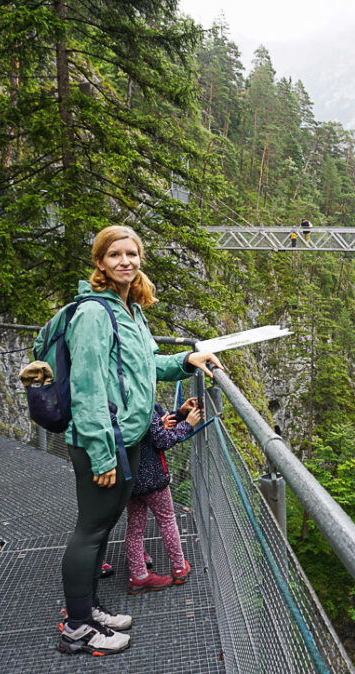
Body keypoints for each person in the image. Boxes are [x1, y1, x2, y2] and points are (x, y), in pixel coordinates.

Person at [56, 225, 223, 657]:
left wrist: (188, 359)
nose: (125, 261)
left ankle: (90, 609)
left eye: (132, 254)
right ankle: (77, 627)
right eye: (115, 255)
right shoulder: (94, 313)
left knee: (102, 527)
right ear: (100, 262)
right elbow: (88, 387)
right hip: (104, 440)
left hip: (126, 438)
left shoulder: (129, 310)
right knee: (90, 531)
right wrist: (101, 453)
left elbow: (147, 363)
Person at [125, 396, 203, 595]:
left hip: (131, 479)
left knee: (134, 527)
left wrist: (180, 413)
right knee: (167, 520)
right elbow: (162, 439)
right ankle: (178, 567)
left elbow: (154, 430)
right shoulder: (142, 402)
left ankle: (139, 576)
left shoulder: (121, 404)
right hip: (154, 479)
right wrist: (188, 424)